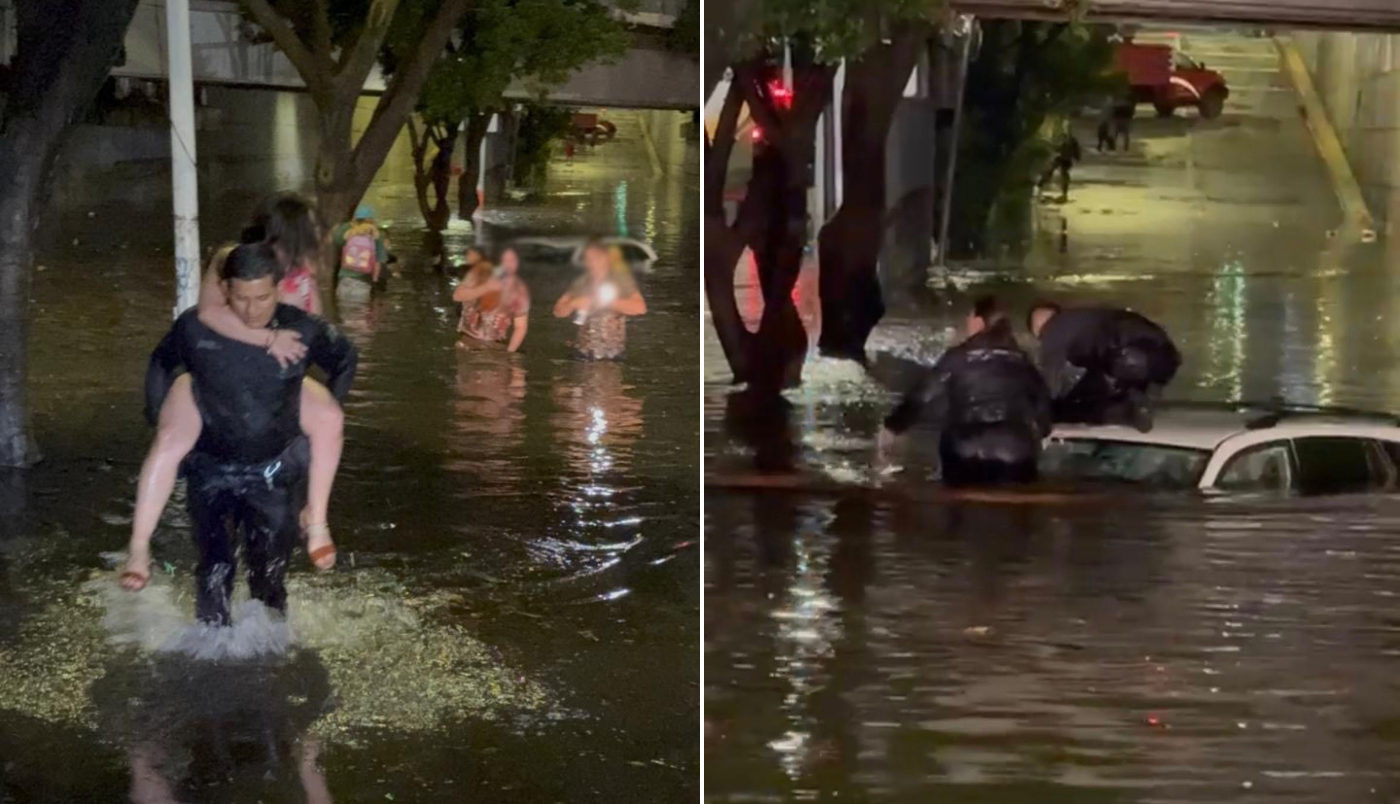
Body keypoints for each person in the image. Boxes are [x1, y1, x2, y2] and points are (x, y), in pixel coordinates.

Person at [122, 194, 345, 592]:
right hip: (213, 373)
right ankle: (139, 546)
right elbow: (206, 313)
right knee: (170, 440)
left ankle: (318, 519)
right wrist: (266, 338)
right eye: (291, 242)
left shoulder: (300, 272)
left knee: (328, 420)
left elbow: (317, 328)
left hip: (269, 387)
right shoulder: (229, 258)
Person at [877, 296, 1052, 486]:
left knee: (960, 503)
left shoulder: (956, 357)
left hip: (964, 445)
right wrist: (1044, 431)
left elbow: (921, 396)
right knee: (1017, 504)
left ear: (978, 321)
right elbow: (1042, 402)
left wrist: (892, 427)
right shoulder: (1021, 360)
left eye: (969, 318)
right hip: (1013, 447)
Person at [1027, 300, 1181, 432]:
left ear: (1038, 326)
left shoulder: (1054, 331)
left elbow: (1050, 384)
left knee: (1068, 407)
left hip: (1135, 360)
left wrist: (1039, 416)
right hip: (1165, 359)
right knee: (1088, 392)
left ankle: (1125, 411)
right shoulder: (1086, 321)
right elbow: (1093, 375)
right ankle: (1135, 405)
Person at [552, 241, 647, 359]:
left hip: (613, 355)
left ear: (607, 260)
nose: (592, 263)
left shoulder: (621, 281)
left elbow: (640, 308)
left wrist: (607, 302)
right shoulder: (581, 283)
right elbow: (558, 311)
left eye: (597, 258)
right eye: (588, 259)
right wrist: (574, 303)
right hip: (583, 353)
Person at [454, 246, 530, 352]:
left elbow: (521, 327)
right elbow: (521, 327)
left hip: (468, 345)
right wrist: (510, 352)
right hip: (490, 348)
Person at [333, 204, 389, 294]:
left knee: (344, 306)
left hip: (344, 278)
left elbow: (336, 240)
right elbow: (378, 262)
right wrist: (375, 280)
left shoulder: (348, 231)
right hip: (363, 281)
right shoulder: (376, 234)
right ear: (370, 219)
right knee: (360, 307)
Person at [1040, 132, 1081, 201]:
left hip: (1065, 158)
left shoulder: (1071, 140)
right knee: (1052, 171)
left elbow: (1075, 149)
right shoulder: (1070, 139)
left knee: (1058, 173)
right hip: (1062, 158)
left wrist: (1076, 156)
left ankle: (1063, 193)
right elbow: (1057, 147)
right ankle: (1040, 187)